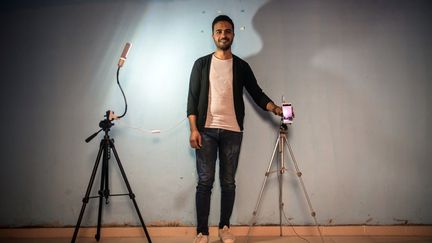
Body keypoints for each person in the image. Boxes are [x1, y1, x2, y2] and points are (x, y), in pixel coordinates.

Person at [187, 15, 282, 243]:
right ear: (213, 35)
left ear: (233, 35)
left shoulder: (241, 66)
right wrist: (193, 129)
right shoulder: (201, 64)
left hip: (232, 131)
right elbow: (191, 100)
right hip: (206, 130)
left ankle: (224, 228)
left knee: (228, 182)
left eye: (227, 31)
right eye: (219, 31)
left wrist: (274, 108)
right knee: (205, 182)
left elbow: (256, 93)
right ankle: (202, 232)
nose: (223, 35)